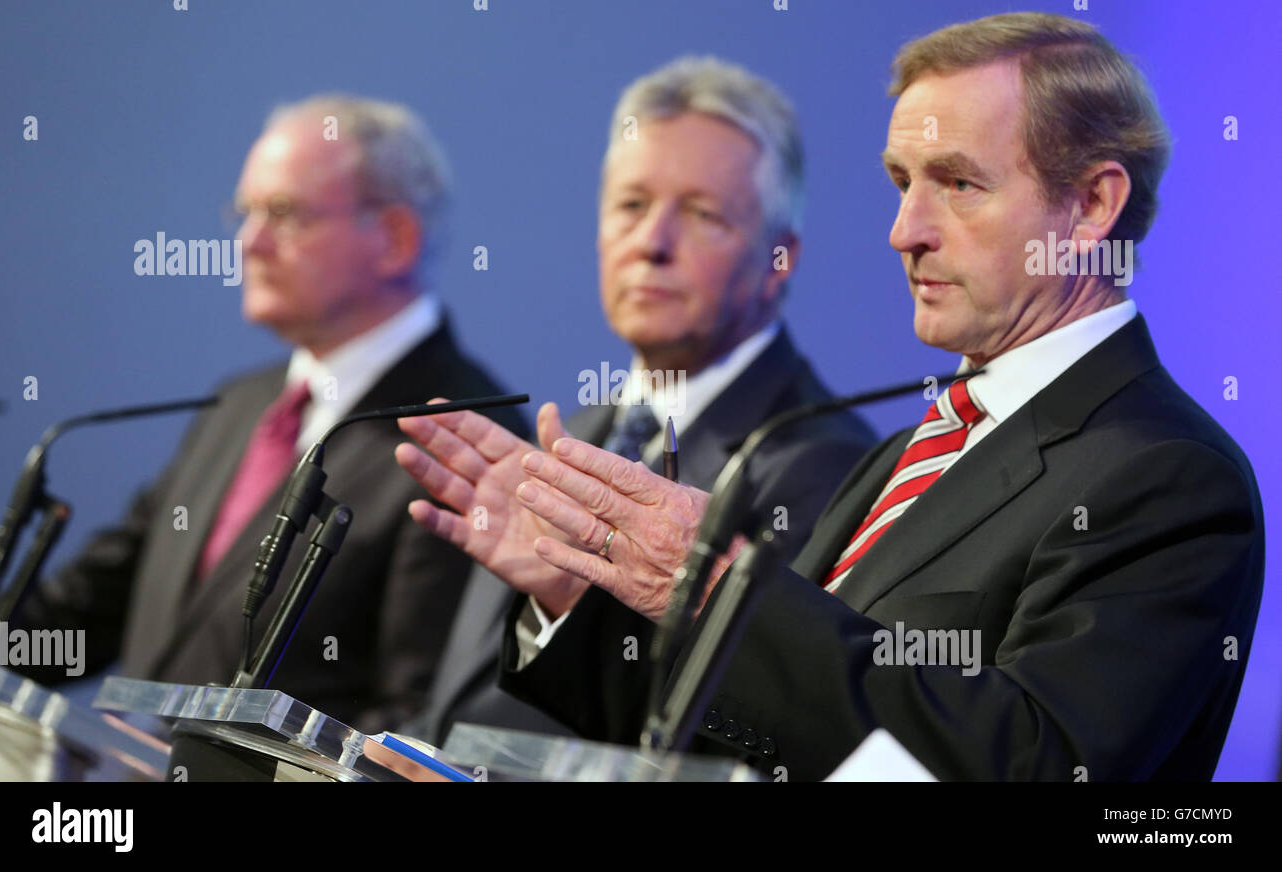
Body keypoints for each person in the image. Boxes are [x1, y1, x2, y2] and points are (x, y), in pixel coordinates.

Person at [414, 14, 1266, 780]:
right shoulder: (902, 455)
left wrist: (716, 589)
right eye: (902, 182)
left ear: (1091, 205)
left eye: (958, 184)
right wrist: (577, 597)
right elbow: (747, 735)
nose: (906, 230)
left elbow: (1035, 763)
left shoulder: (1169, 476)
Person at [396, 57, 878, 746]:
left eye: (702, 214)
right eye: (631, 205)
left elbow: (750, 740)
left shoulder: (822, 465)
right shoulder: (581, 431)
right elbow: (462, 712)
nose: (652, 243)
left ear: (780, 257)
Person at [17, 95, 527, 733]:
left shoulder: (462, 438)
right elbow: (92, 608)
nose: (250, 242)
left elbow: (418, 720)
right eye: (246, 212)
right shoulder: (238, 405)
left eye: (284, 213)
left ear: (395, 239)